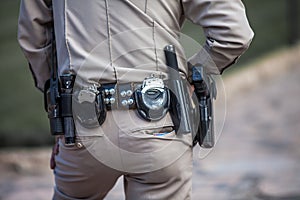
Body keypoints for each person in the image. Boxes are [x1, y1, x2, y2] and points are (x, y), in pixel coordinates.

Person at [18, 0, 254, 199]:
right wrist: (189, 79)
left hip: (81, 127)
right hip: (161, 122)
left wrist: (61, 112)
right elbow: (234, 33)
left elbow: (34, 39)